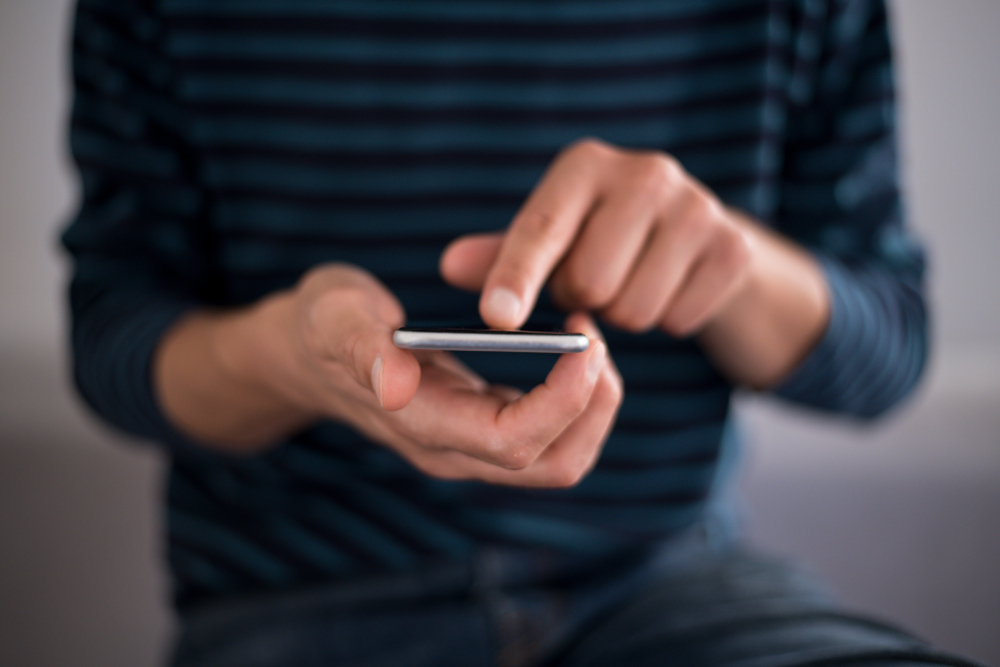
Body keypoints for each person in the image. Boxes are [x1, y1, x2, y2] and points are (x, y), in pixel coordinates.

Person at [62, 1, 978, 665]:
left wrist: (720, 259)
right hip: (299, 602)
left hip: (673, 589)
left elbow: (889, 349)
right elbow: (113, 339)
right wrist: (292, 357)